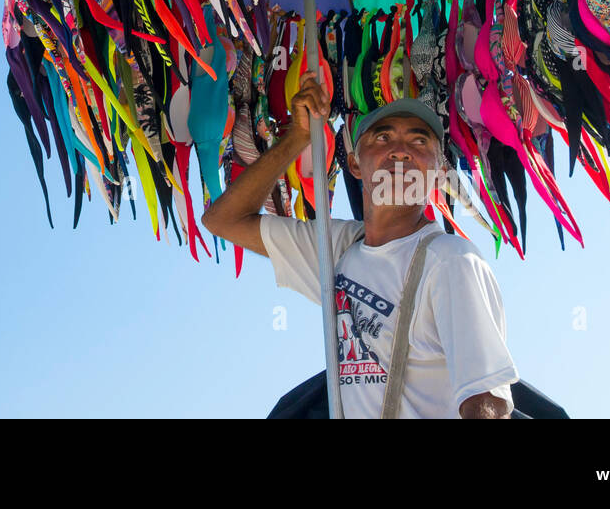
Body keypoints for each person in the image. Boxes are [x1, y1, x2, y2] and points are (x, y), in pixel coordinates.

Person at [201, 74, 518, 419]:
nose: (400, 149)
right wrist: (297, 138)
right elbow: (223, 220)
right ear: (353, 163)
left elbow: (487, 403)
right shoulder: (336, 247)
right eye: (383, 137)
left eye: (419, 140)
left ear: (439, 171)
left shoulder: (451, 262)